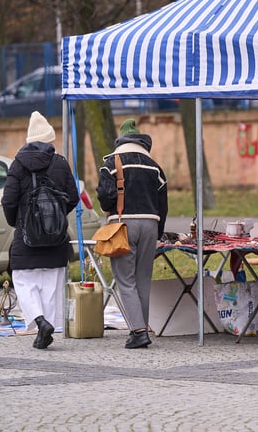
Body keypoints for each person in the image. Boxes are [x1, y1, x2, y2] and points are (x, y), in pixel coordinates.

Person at [1, 111, 79, 349]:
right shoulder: (61, 163)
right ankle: (46, 326)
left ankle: (39, 322)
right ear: (49, 138)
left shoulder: (18, 165)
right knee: (51, 284)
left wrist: (20, 222)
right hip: (56, 239)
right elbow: (73, 197)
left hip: (27, 239)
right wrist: (54, 220)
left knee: (24, 281)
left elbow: (8, 200)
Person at [97, 118, 168, 349]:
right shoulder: (155, 166)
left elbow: (106, 198)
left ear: (120, 140)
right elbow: (163, 204)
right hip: (151, 225)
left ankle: (138, 332)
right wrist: (159, 233)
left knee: (125, 281)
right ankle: (141, 327)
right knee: (143, 280)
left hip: (122, 225)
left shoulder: (111, 163)